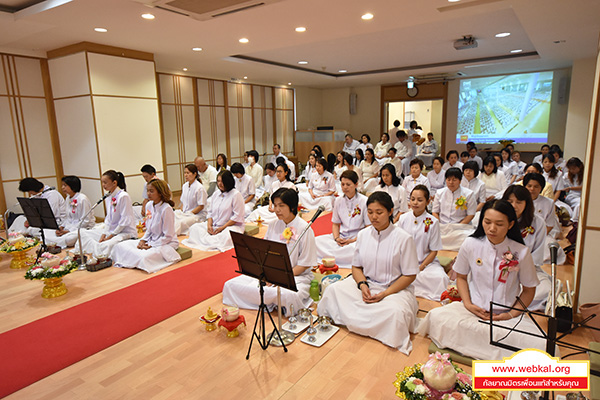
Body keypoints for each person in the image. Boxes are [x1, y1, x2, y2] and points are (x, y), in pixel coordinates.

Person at [419, 199, 547, 361]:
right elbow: (462, 277)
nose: (492, 228)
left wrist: (511, 314)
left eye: (499, 224)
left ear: (510, 224)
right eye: (487, 222)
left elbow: (529, 289)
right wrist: (468, 304)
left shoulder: (521, 252)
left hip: (506, 317)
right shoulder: (470, 244)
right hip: (473, 311)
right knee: (434, 318)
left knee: (542, 347)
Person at [317, 191, 419, 355]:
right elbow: (356, 267)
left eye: (379, 212)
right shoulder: (363, 235)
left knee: (396, 313)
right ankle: (363, 320)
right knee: (333, 290)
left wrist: (385, 293)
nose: (374, 217)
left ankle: (363, 320)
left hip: (394, 289)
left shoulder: (404, 238)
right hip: (367, 284)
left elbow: (410, 275)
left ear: (390, 211)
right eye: (370, 212)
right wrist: (362, 284)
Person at [222, 188, 316, 317]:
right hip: (269, 275)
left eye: (281, 206)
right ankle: (272, 303)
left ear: (293, 207)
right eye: (275, 205)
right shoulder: (273, 225)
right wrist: (267, 274)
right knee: (230, 285)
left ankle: (274, 303)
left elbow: (304, 264)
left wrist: (280, 277)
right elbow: (263, 254)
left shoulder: (305, 229)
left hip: (296, 277)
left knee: (289, 295)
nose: (277, 210)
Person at [111, 179, 180, 274]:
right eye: (147, 190)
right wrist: (143, 240)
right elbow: (149, 227)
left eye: (152, 191)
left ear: (160, 193)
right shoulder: (149, 205)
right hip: (151, 240)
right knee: (120, 246)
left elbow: (168, 236)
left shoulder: (166, 209)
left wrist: (151, 245)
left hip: (166, 243)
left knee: (143, 257)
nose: (148, 193)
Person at [502, 185, 551, 311]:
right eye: (510, 201)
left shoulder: (538, 222)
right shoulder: (499, 219)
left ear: (526, 204)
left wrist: (519, 268)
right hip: (499, 267)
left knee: (546, 289)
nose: (514, 205)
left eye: (519, 202)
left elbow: (537, 253)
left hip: (528, 269)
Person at [397, 185, 448, 301]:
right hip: (404, 261)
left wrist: (421, 267)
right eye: (413, 199)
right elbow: (397, 243)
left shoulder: (433, 222)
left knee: (440, 278)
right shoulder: (403, 218)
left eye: (420, 200)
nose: (415, 203)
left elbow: (434, 251)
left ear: (428, 201)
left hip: (426, 263)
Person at [315, 170, 370, 268]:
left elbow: (368, 228)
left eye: (348, 184)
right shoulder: (338, 201)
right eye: (343, 184)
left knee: (356, 250)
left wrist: (352, 240)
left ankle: (337, 257)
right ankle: (339, 255)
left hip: (357, 238)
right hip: (341, 237)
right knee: (317, 241)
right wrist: (336, 238)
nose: (345, 187)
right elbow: (335, 224)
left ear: (356, 184)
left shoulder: (364, 201)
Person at [77, 170, 136, 257]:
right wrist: (104, 234)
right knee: (83, 233)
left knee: (105, 245)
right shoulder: (108, 196)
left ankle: (98, 256)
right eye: (102, 183)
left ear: (114, 183)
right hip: (111, 231)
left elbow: (125, 220)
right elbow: (108, 218)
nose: (103, 185)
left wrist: (110, 236)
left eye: (105, 182)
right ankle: (87, 253)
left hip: (124, 232)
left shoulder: (123, 196)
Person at [183, 170, 245, 252]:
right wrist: (209, 226)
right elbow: (210, 212)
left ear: (228, 181)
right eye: (218, 181)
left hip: (230, 226)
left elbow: (237, 216)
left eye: (222, 181)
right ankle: (209, 239)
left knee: (226, 237)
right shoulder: (216, 194)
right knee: (194, 228)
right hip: (215, 225)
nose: (220, 184)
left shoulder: (236, 194)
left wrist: (222, 228)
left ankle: (209, 240)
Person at [43, 176, 95, 248]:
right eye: (62, 185)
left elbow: (85, 221)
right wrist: (61, 227)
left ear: (73, 186)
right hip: (69, 227)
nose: (63, 188)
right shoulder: (68, 198)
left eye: (65, 185)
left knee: (69, 239)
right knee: (46, 233)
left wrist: (68, 231)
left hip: (83, 228)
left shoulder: (82, 199)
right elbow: (67, 217)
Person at [432, 167, 477, 250]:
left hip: (460, 227)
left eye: (454, 180)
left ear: (460, 181)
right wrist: (439, 224)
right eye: (448, 180)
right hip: (442, 226)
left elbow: (470, 214)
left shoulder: (469, 194)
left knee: (467, 239)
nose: (451, 182)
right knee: (430, 236)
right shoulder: (439, 193)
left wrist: (458, 226)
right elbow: (435, 212)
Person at [174, 164, 207, 235]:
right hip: (186, 213)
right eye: (185, 173)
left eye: (188, 173)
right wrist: (181, 212)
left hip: (196, 215)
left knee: (181, 222)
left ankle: (171, 236)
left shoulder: (200, 188)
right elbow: (183, 202)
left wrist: (189, 213)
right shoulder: (185, 186)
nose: (186, 175)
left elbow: (201, 206)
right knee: (173, 215)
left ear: (195, 174)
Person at [524, 173, 560, 238]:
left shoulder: (549, 203)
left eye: (536, 186)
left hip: (541, 235)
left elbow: (550, 225)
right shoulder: (519, 201)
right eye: (529, 186)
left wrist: (538, 238)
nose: (532, 189)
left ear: (541, 188)